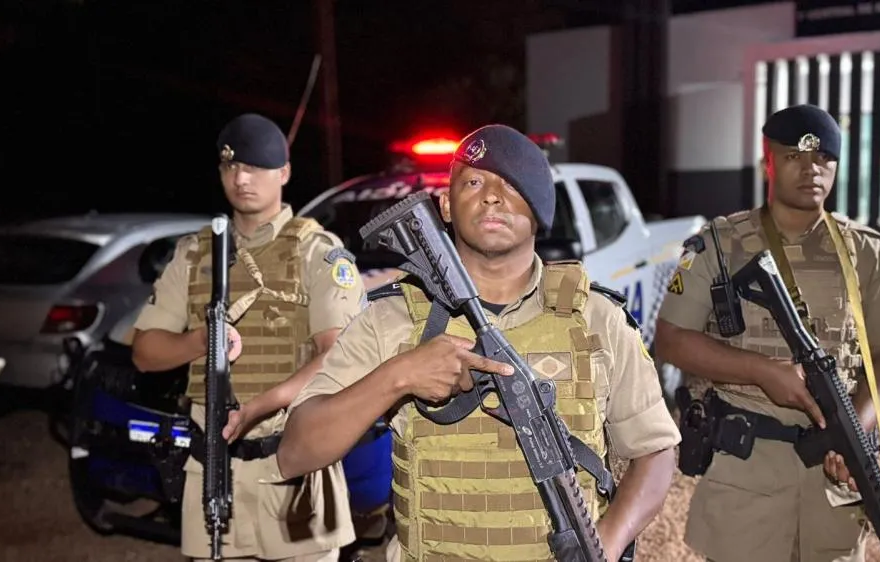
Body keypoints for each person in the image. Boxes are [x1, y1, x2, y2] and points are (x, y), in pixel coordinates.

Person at [276, 124, 680, 562]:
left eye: (512, 185)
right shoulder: (391, 320)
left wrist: (608, 541)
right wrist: (398, 377)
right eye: (473, 181)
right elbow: (296, 451)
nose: (491, 196)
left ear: (540, 208)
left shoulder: (597, 318)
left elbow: (655, 452)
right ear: (445, 205)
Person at [655, 104, 880, 562]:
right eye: (794, 156)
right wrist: (760, 370)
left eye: (823, 160)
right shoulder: (718, 244)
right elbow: (672, 338)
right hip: (747, 471)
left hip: (834, 480)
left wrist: (856, 426)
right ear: (767, 161)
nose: (811, 170)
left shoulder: (867, 252)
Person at [131, 113, 363, 561]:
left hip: (293, 462)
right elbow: (145, 352)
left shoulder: (318, 251)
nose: (240, 178)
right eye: (229, 167)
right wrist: (205, 339)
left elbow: (337, 357)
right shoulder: (196, 254)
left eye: (254, 167)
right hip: (215, 469)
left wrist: (263, 404)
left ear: (284, 173)